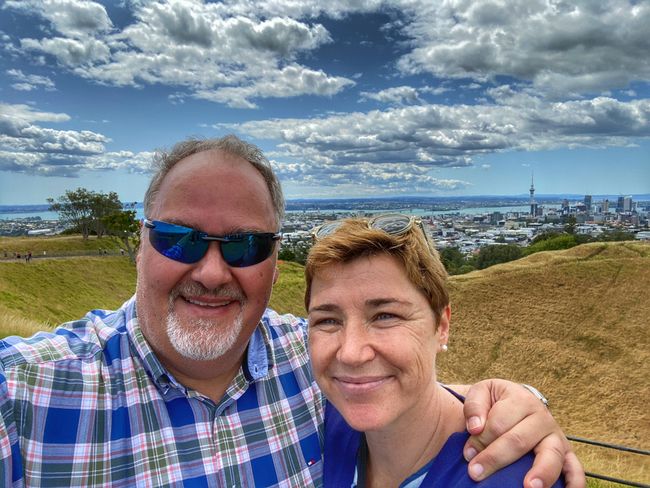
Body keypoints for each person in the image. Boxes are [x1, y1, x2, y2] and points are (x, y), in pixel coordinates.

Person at [0, 136, 583, 487]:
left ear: (275, 261)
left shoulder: (310, 362)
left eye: (244, 245)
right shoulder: (30, 391)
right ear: (140, 241)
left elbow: (395, 378)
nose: (209, 271)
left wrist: (516, 403)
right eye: (178, 238)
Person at [305, 216, 566, 487]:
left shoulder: (508, 477)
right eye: (328, 320)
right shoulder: (333, 421)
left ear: (441, 326)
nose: (351, 353)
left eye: (385, 316)